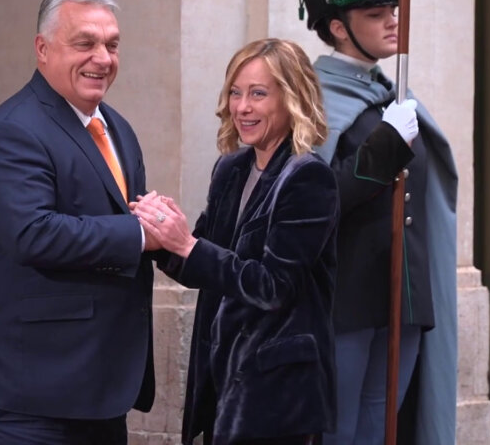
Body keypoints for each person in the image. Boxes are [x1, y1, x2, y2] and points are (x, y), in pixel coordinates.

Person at [0, 0, 159, 445]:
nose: (102, 58)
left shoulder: (116, 127)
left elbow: (133, 220)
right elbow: (33, 233)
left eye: (112, 45)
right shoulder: (13, 129)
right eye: (85, 43)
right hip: (23, 395)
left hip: (95, 388)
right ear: (42, 49)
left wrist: (175, 235)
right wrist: (142, 233)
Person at [296, 0, 459, 445]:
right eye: (375, 13)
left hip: (404, 297)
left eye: (394, 9)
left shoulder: (397, 94)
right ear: (338, 26)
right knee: (340, 430)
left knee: (383, 427)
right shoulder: (311, 100)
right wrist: (382, 151)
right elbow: (308, 204)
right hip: (345, 300)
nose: (393, 22)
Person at [133, 38, 340, 445]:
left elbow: (273, 287)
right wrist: (162, 239)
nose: (242, 107)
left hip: (278, 395)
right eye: (235, 92)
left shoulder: (309, 177)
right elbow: (204, 264)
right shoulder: (230, 169)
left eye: (258, 94)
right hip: (221, 377)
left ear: (292, 98)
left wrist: (187, 244)